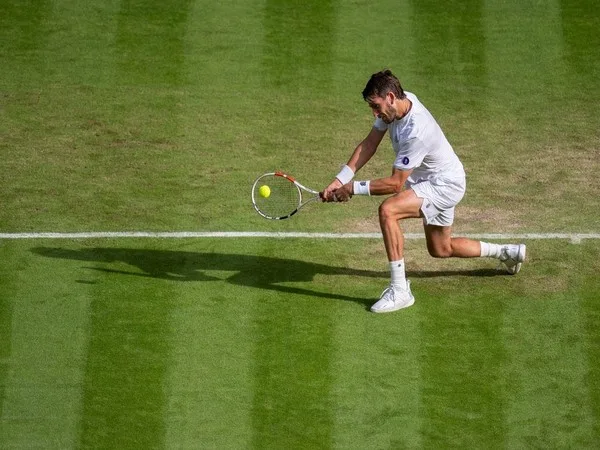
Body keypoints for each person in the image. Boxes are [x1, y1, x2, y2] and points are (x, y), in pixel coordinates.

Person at [321, 69, 526, 313]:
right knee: (441, 248)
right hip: (434, 181)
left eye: (376, 106)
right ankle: (507, 252)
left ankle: (400, 291)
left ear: (390, 97)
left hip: (443, 185)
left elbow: (395, 184)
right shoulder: (398, 105)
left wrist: (352, 188)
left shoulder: (416, 130)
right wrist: (340, 179)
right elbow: (369, 144)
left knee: (388, 211)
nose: (374, 113)